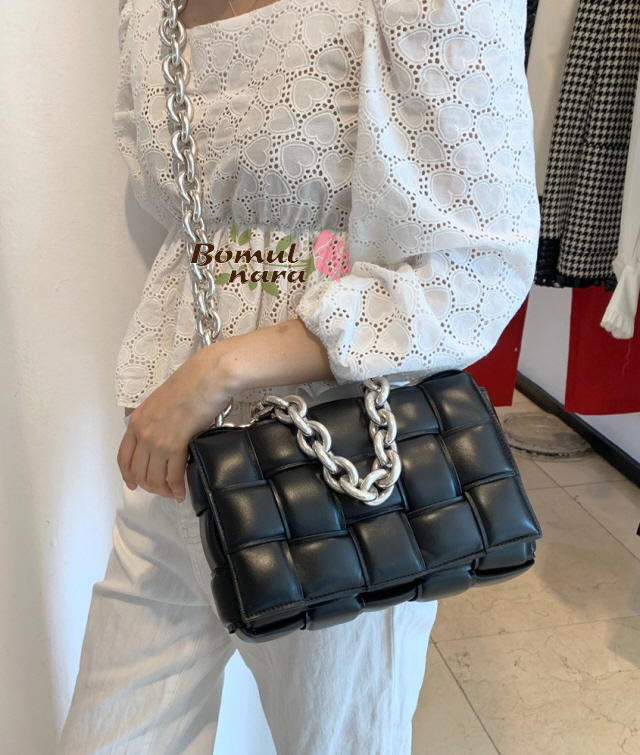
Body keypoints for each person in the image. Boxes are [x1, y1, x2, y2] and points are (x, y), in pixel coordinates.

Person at [57, 0, 540, 752]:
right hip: (177, 460)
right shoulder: (147, 8)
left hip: (347, 468)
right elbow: (193, 224)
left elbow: (471, 272)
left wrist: (222, 367)